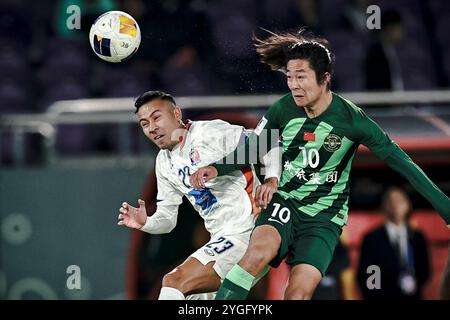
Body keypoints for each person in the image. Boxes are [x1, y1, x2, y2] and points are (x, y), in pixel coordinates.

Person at [190, 30, 450, 300]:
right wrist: (217, 168)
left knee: (298, 294)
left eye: (301, 77)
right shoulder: (282, 109)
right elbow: (256, 147)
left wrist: (446, 209)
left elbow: (403, 164)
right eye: (289, 77)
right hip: (284, 203)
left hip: (324, 218)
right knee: (255, 256)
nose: (293, 85)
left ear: (325, 78)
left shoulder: (352, 120)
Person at [117, 90, 280, 300]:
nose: (152, 128)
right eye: (144, 123)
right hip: (222, 238)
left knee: (174, 282)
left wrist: (271, 180)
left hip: (247, 232)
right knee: (188, 298)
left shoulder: (210, 133)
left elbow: (267, 141)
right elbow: (167, 219)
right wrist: (146, 222)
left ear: (176, 113)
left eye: (157, 117)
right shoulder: (164, 163)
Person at [357, 186, 430, 299]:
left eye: (399, 200)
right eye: (390, 201)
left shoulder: (417, 237)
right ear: (383, 205)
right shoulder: (372, 238)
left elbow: (425, 270)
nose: (395, 205)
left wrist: (415, 282)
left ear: (408, 204)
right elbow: (367, 274)